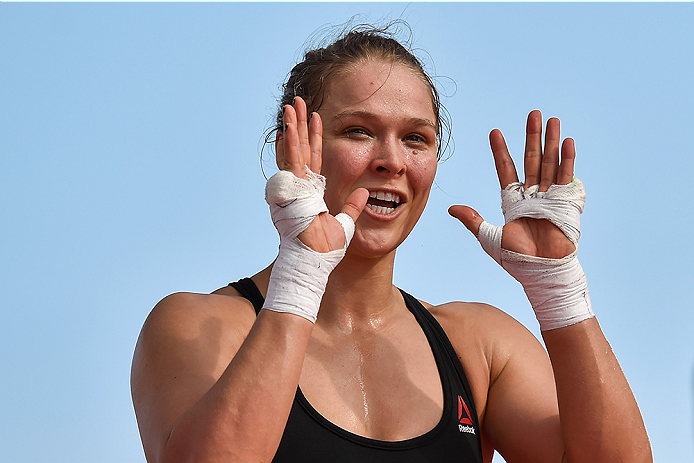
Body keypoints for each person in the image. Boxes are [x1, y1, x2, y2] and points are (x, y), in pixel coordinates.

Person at [130, 22, 652, 463]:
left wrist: (559, 288)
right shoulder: (198, 326)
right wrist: (302, 273)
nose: (392, 161)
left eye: (415, 138)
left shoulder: (480, 346)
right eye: (358, 131)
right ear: (294, 147)